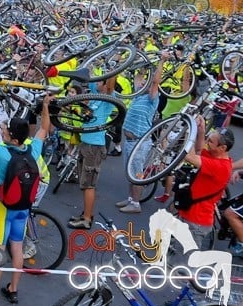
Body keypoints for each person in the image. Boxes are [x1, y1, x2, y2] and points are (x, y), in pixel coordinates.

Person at [0, 90, 51, 306]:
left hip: (3, 208)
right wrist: (45, 106)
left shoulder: (1, 153)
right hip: (24, 208)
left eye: (4, 130)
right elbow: (44, 128)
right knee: (17, 247)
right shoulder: (33, 150)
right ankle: (13, 289)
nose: (1, 130)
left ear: (12, 137)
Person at [115, 51, 169, 213]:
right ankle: (131, 199)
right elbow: (139, 76)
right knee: (130, 173)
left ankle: (136, 204)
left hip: (140, 142)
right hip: (130, 141)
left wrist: (161, 61)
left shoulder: (152, 98)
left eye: (147, 82)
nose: (143, 83)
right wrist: (143, 62)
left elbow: (155, 82)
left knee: (137, 174)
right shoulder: (138, 96)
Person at [67, 73, 118, 230]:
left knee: (89, 185)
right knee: (84, 183)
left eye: (100, 81)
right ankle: (85, 213)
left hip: (94, 147)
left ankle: (87, 219)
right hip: (86, 144)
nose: (96, 83)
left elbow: (110, 85)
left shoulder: (108, 99)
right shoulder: (95, 97)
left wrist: (114, 70)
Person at [176, 117, 233, 248]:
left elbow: (189, 156)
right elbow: (199, 151)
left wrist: (190, 131)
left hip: (196, 221)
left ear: (222, 147)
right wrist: (200, 131)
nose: (207, 143)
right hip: (190, 214)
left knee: (185, 264)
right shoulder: (216, 156)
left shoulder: (220, 167)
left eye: (211, 141)